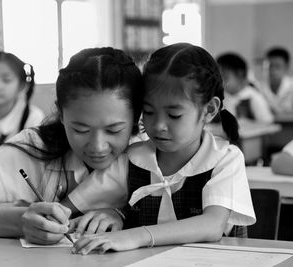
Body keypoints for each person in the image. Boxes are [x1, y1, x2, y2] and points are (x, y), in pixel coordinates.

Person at [0, 47, 144, 245]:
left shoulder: (151, 151)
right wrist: (20, 221)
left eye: (114, 130)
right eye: (80, 129)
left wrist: (121, 215)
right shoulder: (36, 147)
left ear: (136, 118)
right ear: (61, 114)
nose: (97, 146)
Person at [72, 43, 256, 255]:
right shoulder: (133, 158)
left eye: (174, 115)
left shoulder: (225, 159)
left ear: (209, 110)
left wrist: (135, 235)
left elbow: (212, 226)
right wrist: (54, 218)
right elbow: (75, 203)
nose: (158, 125)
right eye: (148, 112)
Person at [216, 52, 273, 123]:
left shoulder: (254, 98)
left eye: (225, 77)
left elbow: (267, 124)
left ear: (240, 75)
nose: (221, 82)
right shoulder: (219, 98)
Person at [259, 46, 293, 115]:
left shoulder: (291, 86)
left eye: (277, 66)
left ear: (286, 67)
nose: (273, 70)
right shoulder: (259, 87)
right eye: (270, 66)